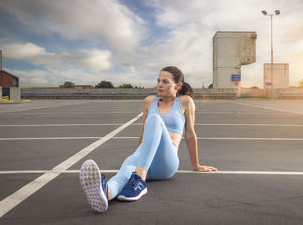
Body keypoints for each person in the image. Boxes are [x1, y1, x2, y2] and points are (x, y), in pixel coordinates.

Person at [79, 66, 218, 213]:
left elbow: (190, 134)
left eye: (165, 81)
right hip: (145, 157)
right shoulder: (149, 101)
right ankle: (105, 193)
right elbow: (144, 134)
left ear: (177, 86)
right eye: (158, 81)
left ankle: (139, 179)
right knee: (126, 170)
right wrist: (137, 157)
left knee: (154, 119)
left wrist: (196, 165)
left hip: (165, 161)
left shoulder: (185, 102)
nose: (159, 84)